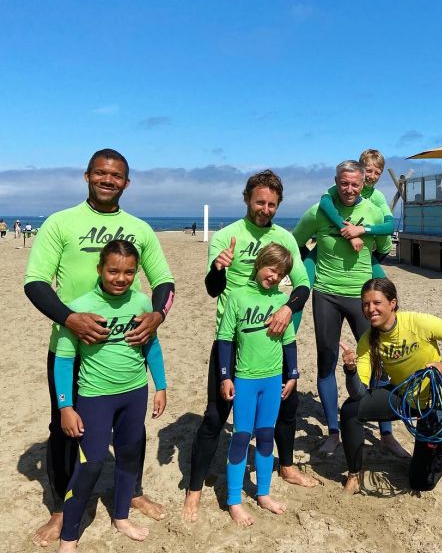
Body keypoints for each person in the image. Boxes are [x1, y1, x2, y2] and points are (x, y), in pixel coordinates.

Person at [24, 149, 175, 546]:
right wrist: (69, 318)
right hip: (70, 345)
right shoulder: (60, 223)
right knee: (63, 428)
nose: (108, 180)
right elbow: (35, 283)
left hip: (125, 346)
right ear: (87, 175)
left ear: (127, 181)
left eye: (117, 175)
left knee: (132, 434)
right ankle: (61, 508)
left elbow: (165, 283)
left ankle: (132, 493)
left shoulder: (140, 229)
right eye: (101, 173)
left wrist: (157, 315)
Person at [183, 170, 315, 524]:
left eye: (272, 204)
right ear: (247, 199)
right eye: (260, 202)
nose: (265, 209)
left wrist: (289, 307)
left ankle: (282, 470)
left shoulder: (285, 238)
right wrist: (217, 267)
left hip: (270, 339)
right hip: (231, 339)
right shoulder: (228, 236)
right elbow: (212, 288)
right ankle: (194, 488)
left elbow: (302, 286)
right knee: (215, 417)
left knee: (286, 412)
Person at [54, 240, 168, 551]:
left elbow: (151, 347)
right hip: (94, 397)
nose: (121, 278)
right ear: (100, 269)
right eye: (113, 271)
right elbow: (63, 362)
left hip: (134, 393)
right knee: (91, 464)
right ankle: (69, 537)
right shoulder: (78, 309)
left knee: (129, 455)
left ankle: (121, 517)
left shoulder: (143, 303)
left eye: (129, 272)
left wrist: (161, 385)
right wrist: (66, 406)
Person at [292, 160, 405, 458]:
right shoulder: (318, 212)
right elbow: (295, 244)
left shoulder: (372, 210)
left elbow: (382, 248)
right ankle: (333, 432)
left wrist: (361, 234)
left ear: (362, 182)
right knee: (326, 362)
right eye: (344, 183)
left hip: (363, 298)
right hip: (327, 294)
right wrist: (302, 273)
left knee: (378, 363)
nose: (350, 189)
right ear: (336, 181)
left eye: (355, 183)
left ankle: (386, 434)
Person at [340, 277, 442, 494]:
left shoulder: (417, 322)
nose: (371, 309)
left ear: (393, 303)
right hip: (404, 398)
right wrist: (350, 369)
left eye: (377, 303)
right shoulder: (368, 340)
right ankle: (354, 475)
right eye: (366, 304)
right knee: (351, 410)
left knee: (421, 482)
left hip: (435, 400)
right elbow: (358, 393)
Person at [218, 243, 298, 525]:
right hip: (245, 379)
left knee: (266, 436)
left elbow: (289, 342)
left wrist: (294, 375)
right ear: (259, 264)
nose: (274, 276)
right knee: (241, 437)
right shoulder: (237, 297)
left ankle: (263, 493)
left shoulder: (281, 302)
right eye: (271, 269)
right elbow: (225, 338)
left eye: (281, 273)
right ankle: (234, 500)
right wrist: (226, 376)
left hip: (273, 379)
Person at [314, 149, 395, 279]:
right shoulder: (345, 187)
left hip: (365, 249)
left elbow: (390, 227)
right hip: (333, 243)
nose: (372, 177)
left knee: (383, 289)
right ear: (360, 169)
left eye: (377, 173)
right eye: (369, 171)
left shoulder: (377, 197)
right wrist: (347, 231)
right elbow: (324, 203)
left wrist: (361, 230)